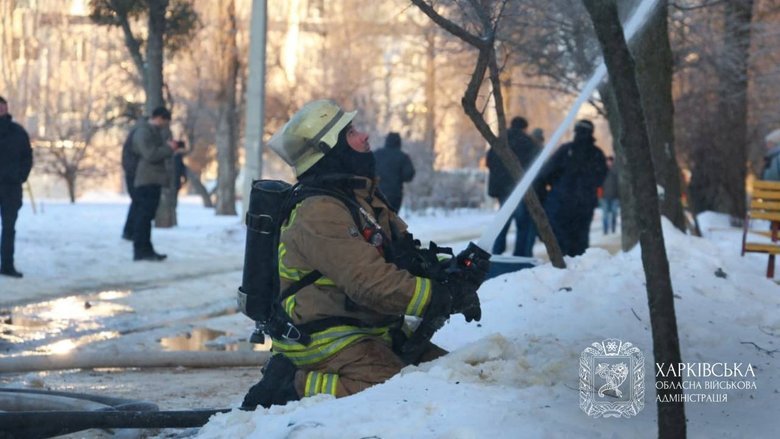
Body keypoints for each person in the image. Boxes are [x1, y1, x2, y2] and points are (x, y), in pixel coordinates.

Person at [241, 99, 485, 410]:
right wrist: (440, 296)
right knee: (396, 391)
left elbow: (400, 256)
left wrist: (451, 272)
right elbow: (370, 283)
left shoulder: (360, 199)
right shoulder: (319, 211)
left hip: (369, 328)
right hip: (324, 336)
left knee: (451, 377)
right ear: (332, 149)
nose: (364, 135)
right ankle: (292, 383)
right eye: (351, 132)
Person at [540, 119, 607, 257]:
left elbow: (547, 173)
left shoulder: (565, 150)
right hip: (585, 203)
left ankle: (562, 267)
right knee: (581, 240)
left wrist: (556, 185)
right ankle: (577, 266)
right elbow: (601, 177)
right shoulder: (597, 154)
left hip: (562, 201)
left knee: (561, 239)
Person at [131, 106, 179, 261]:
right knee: (144, 217)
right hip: (146, 180)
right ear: (159, 118)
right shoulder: (144, 131)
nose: (165, 125)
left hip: (152, 179)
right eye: (164, 121)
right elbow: (150, 154)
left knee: (146, 217)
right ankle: (141, 250)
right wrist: (168, 148)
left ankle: (145, 249)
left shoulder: (152, 131)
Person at [486, 116, 539, 256]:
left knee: (502, 221)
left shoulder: (500, 140)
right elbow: (534, 165)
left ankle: (497, 252)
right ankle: (519, 254)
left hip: (502, 188)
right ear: (524, 127)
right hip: (519, 187)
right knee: (522, 224)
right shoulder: (528, 142)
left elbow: (489, 161)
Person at [0, 96, 33, 278]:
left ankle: (7, 264)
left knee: (9, 227)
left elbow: (27, 156)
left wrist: (21, 176)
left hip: (11, 188)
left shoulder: (17, 132)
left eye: (3, 106)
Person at [373, 132, 415, 212]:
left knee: (376, 218)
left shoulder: (376, 154)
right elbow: (409, 175)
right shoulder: (403, 157)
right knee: (391, 219)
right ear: (399, 142)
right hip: (394, 195)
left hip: (376, 193)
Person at [121, 126, 140, 241]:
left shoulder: (135, 133)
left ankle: (129, 231)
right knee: (137, 202)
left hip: (132, 172)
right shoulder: (140, 133)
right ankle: (129, 231)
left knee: (136, 203)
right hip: (134, 173)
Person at [600, 156, 620, 234]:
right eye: (607, 161)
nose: (609, 163)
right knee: (605, 215)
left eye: (610, 161)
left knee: (614, 213)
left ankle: (613, 229)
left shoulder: (615, 171)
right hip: (604, 197)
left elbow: (618, 184)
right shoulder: (602, 171)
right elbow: (599, 184)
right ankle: (605, 230)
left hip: (615, 196)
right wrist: (600, 195)